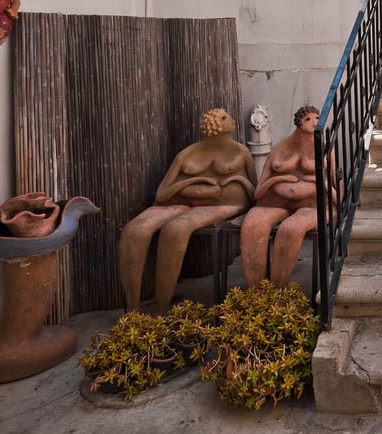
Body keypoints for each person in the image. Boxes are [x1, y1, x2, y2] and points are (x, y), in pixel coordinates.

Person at [118, 108, 255, 312]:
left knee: (176, 229)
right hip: (177, 201)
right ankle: (131, 309)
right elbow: (162, 195)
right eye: (225, 117)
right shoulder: (188, 153)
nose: (231, 120)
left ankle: (162, 308)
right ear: (217, 125)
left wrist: (237, 180)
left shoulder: (240, 152)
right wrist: (197, 180)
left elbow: (254, 193)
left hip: (221, 204)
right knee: (134, 230)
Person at [240, 105, 326, 287]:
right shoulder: (280, 149)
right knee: (253, 226)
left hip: (310, 204)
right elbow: (258, 192)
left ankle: (278, 293)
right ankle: (257, 297)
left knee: (291, 229)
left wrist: (319, 183)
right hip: (273, 201)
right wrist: (281, 179)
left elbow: (335, 187)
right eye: (308, 119)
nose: (315, 123)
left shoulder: (325, 151)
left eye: (317, 118)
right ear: (299, 123)